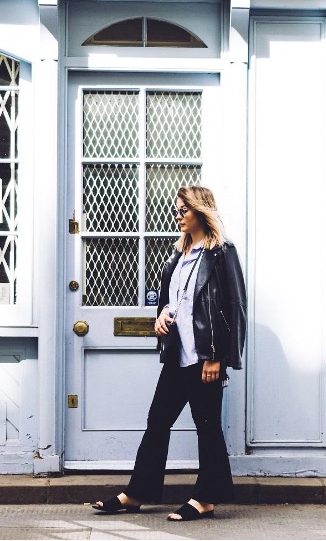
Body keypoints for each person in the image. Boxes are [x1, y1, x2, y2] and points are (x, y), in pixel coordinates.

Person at [92, 185, 247, 522]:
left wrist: (218, 357)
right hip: (178, 357)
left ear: (200, 212)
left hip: (205, 357)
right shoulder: (178, 254)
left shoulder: (222, 252)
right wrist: (161, 314)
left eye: (182, 211)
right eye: (176, 210)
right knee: (158, 421)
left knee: (207, 427)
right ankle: (137, 493)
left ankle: (206, 498)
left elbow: (235, 309)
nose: (177, 216)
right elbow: (173, 301)